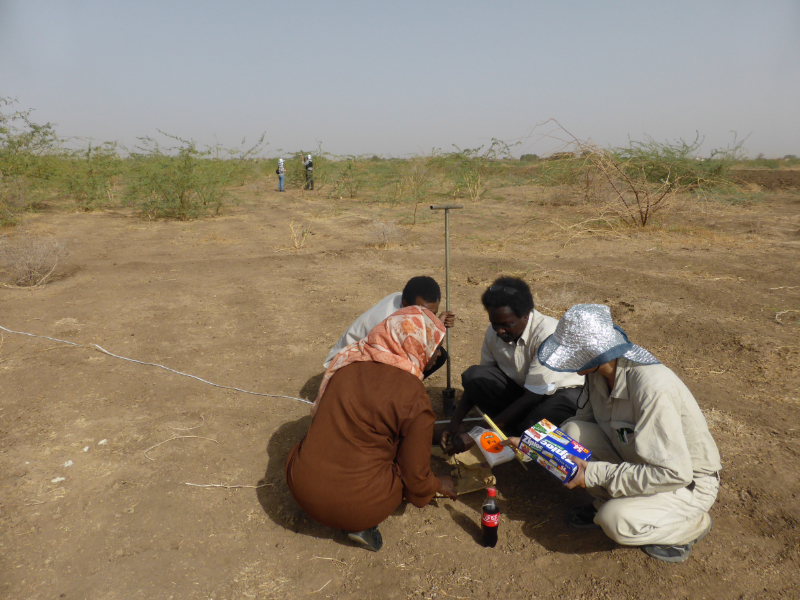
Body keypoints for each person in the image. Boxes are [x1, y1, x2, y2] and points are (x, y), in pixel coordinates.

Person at [531, 303, 722, 563]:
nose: (568, 362)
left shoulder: (652, 388)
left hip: (685, 483)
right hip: (639, 460)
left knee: (614, 520)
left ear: (594, 353)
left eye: (572, 353)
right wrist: (536, 444)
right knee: (571, 432)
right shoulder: (597, 374)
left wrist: (595, 473)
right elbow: (581, 423)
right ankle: (606, 501)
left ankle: (691, 524)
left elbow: (673, 473)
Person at [286, 306, 459, 551]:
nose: (437, 353)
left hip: (299, 486)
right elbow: (415, 480)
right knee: (398, 467)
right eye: (434, 346)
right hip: (357, 509)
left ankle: (320, 501)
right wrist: (438, 484)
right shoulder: (414, 396)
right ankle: (360, 527)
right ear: (418, 345)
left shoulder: (347, 363)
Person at [441, 277, 584, 454]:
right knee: (474, 376)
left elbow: (533, 396)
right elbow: (481, 379)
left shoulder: (548, 334)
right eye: (495, 324)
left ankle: (516, 438)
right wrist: (454, 423)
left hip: (564, 395)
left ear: (526, 315)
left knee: (535, 424)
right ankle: (510, 430)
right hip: (526, 392)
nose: (500, 331)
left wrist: (479, 434)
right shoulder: (494, 333)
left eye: (506, 325)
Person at [323, 276, 456, 373]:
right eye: (424, 313)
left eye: (432, 313)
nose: (428, 318)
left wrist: (436, 323)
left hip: (371, 357)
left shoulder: (403, 301)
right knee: (410, 363)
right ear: (405, 304)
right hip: (345, 368)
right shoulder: (388, 323)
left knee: (438, 354)